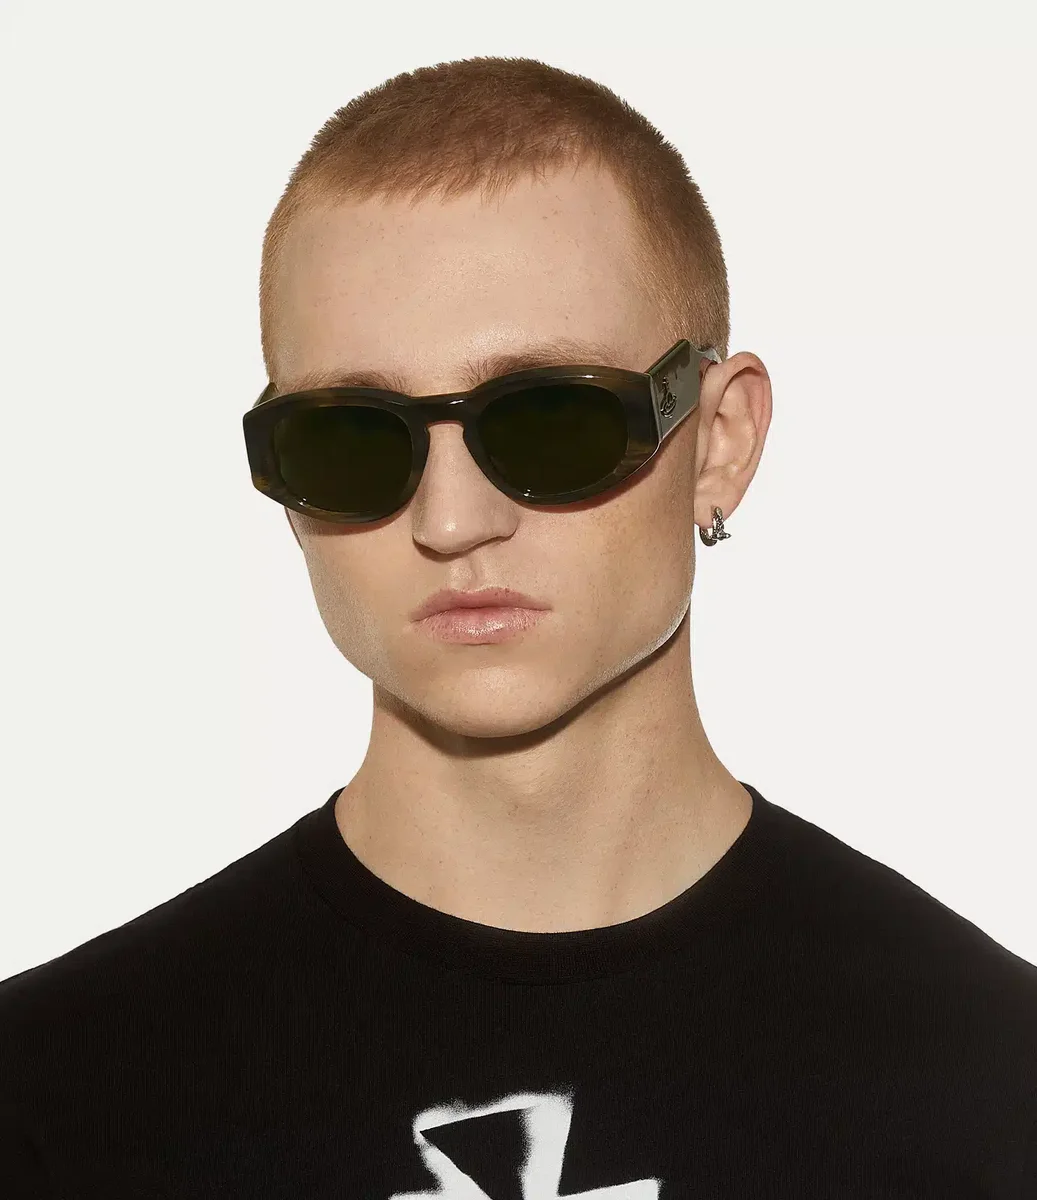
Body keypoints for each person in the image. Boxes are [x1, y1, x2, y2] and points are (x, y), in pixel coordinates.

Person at [1, 55, 1034, 1197]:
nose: (451, 521)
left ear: (719, 441)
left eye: (550, 420)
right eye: (351, 439)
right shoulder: (51, 1097)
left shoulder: (993, 1086)